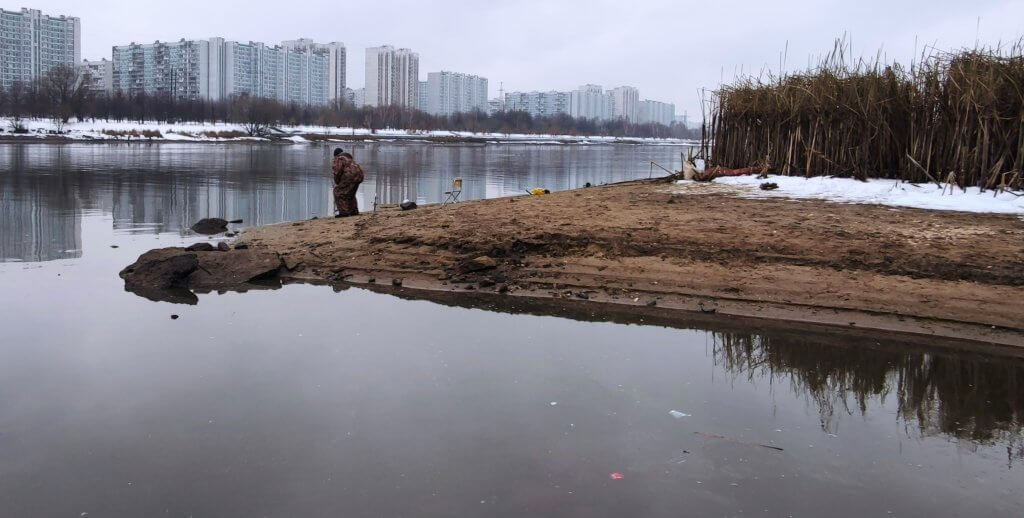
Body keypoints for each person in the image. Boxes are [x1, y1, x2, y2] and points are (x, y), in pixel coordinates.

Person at [331, 148, 365, 217]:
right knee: (351, 193)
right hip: (359, 175)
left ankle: (344, 212)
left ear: (335, 155)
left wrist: (337, 182)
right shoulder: (349, 158)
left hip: (350, 175)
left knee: (338, 192)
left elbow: (337, 172)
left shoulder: (338, 158)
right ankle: (353, 211)